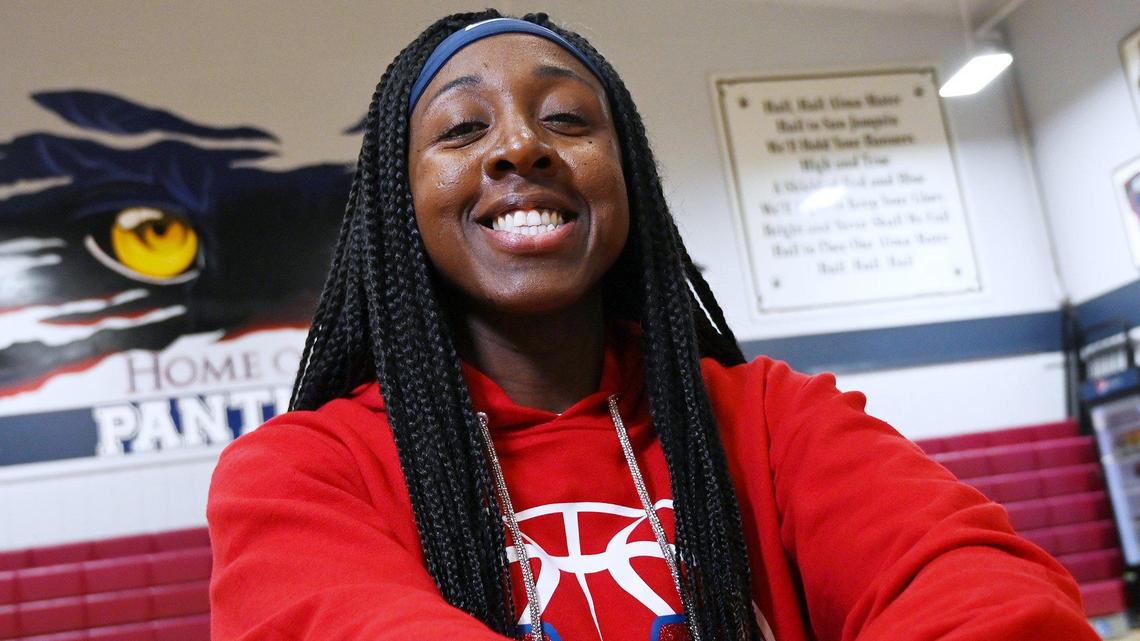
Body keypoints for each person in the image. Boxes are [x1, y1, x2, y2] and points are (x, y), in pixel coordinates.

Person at [207, 10, 1098, 641]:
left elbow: (990, 596)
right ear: (400, 209)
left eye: (567, 119)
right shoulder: (301, 475)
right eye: (462, 129)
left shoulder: (770, 419)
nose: (520, 146)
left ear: (627, 176)